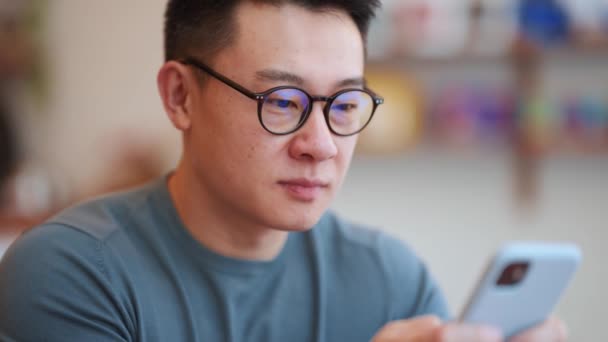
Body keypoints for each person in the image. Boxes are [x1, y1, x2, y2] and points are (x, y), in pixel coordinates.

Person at [0, 1, 568, 341]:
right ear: (180, 96)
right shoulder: (72, 271)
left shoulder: (391, 280)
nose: (320, 145)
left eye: (344, 106)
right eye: (280, 101)